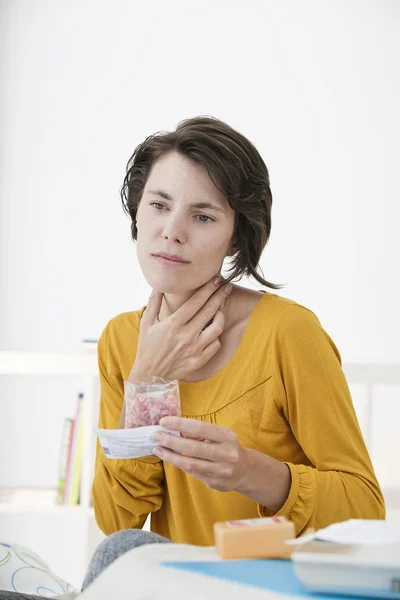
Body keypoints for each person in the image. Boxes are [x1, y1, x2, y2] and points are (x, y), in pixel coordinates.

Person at [91, 115, 385, 552]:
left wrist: (254, 474)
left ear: (235, 238)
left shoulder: (288, 333)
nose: (172, 231)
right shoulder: (121, 341)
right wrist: (145, 381)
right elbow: (117, 524)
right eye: (158, 205)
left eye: (203, 216)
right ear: (137, 211)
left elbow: (365, 511)